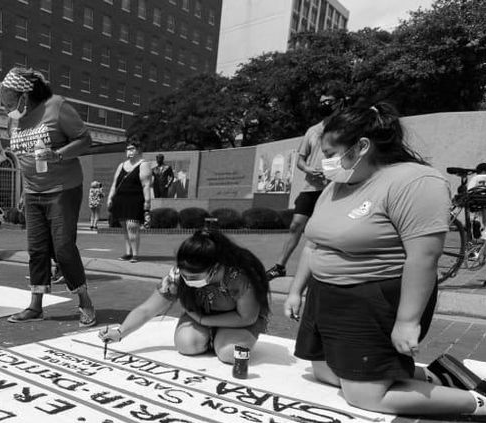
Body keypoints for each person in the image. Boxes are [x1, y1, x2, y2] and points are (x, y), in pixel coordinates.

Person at [284, 102, 486, 421]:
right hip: (327, 295)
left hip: (373, 298)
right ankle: (438, 376)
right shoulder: (338, 185)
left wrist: (406, 321)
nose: (324, 162)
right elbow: (315, 242)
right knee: (326, 371)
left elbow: (424, 258)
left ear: (362, 146)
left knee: (364, 395)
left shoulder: (414, 182)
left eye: (330, 152)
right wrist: (295, 290)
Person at [0, 66, 96, 326]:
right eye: (3, 103)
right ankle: (35, 306)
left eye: (9, 101)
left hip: (63, 189)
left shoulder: (56, 107)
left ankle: (84, 300)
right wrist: (23, 190)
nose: (6, 107)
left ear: (24, 95)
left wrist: (59, 154)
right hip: (33, 192)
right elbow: (22, 158)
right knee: (37, 250)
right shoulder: (14, 120)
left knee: (63, 249)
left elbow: (85, 140)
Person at [99, 229, 270, 365]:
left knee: (230, 353)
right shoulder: (177, 276)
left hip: (237, 322)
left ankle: (221, 338)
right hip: (200, 316)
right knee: (187, 344)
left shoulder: (240, 276)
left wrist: (203, 321)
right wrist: (120, 332)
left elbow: (247, 317)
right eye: (185, 276)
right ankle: (213, 337)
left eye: (195, 277)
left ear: (215, 268)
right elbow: (147, 309)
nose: (188, 281)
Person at [266, 91, 341, 280]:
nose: (324, 104)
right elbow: (300, 160)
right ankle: (279, 266)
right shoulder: (313, 131)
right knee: (296, 225)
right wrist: (308, 169)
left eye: (328, 101)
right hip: (310, 187)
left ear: (339, 103)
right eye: (321, 101)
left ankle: (325, 269)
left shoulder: (346, 128)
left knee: (325, 230)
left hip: (334, 187)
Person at [106, 139, 152, 263]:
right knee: (125, 228)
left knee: (132, 227)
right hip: (120, 199)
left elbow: (146, 185)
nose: (129, 152)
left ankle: (135, 254)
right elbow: (115, 183)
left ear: (138, 150)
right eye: (128, 149)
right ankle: (128, 252)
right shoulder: (122, 165)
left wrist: (147, 202)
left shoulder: (143, 164)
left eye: (132, 149)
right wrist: (110, 197)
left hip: (135, 200)